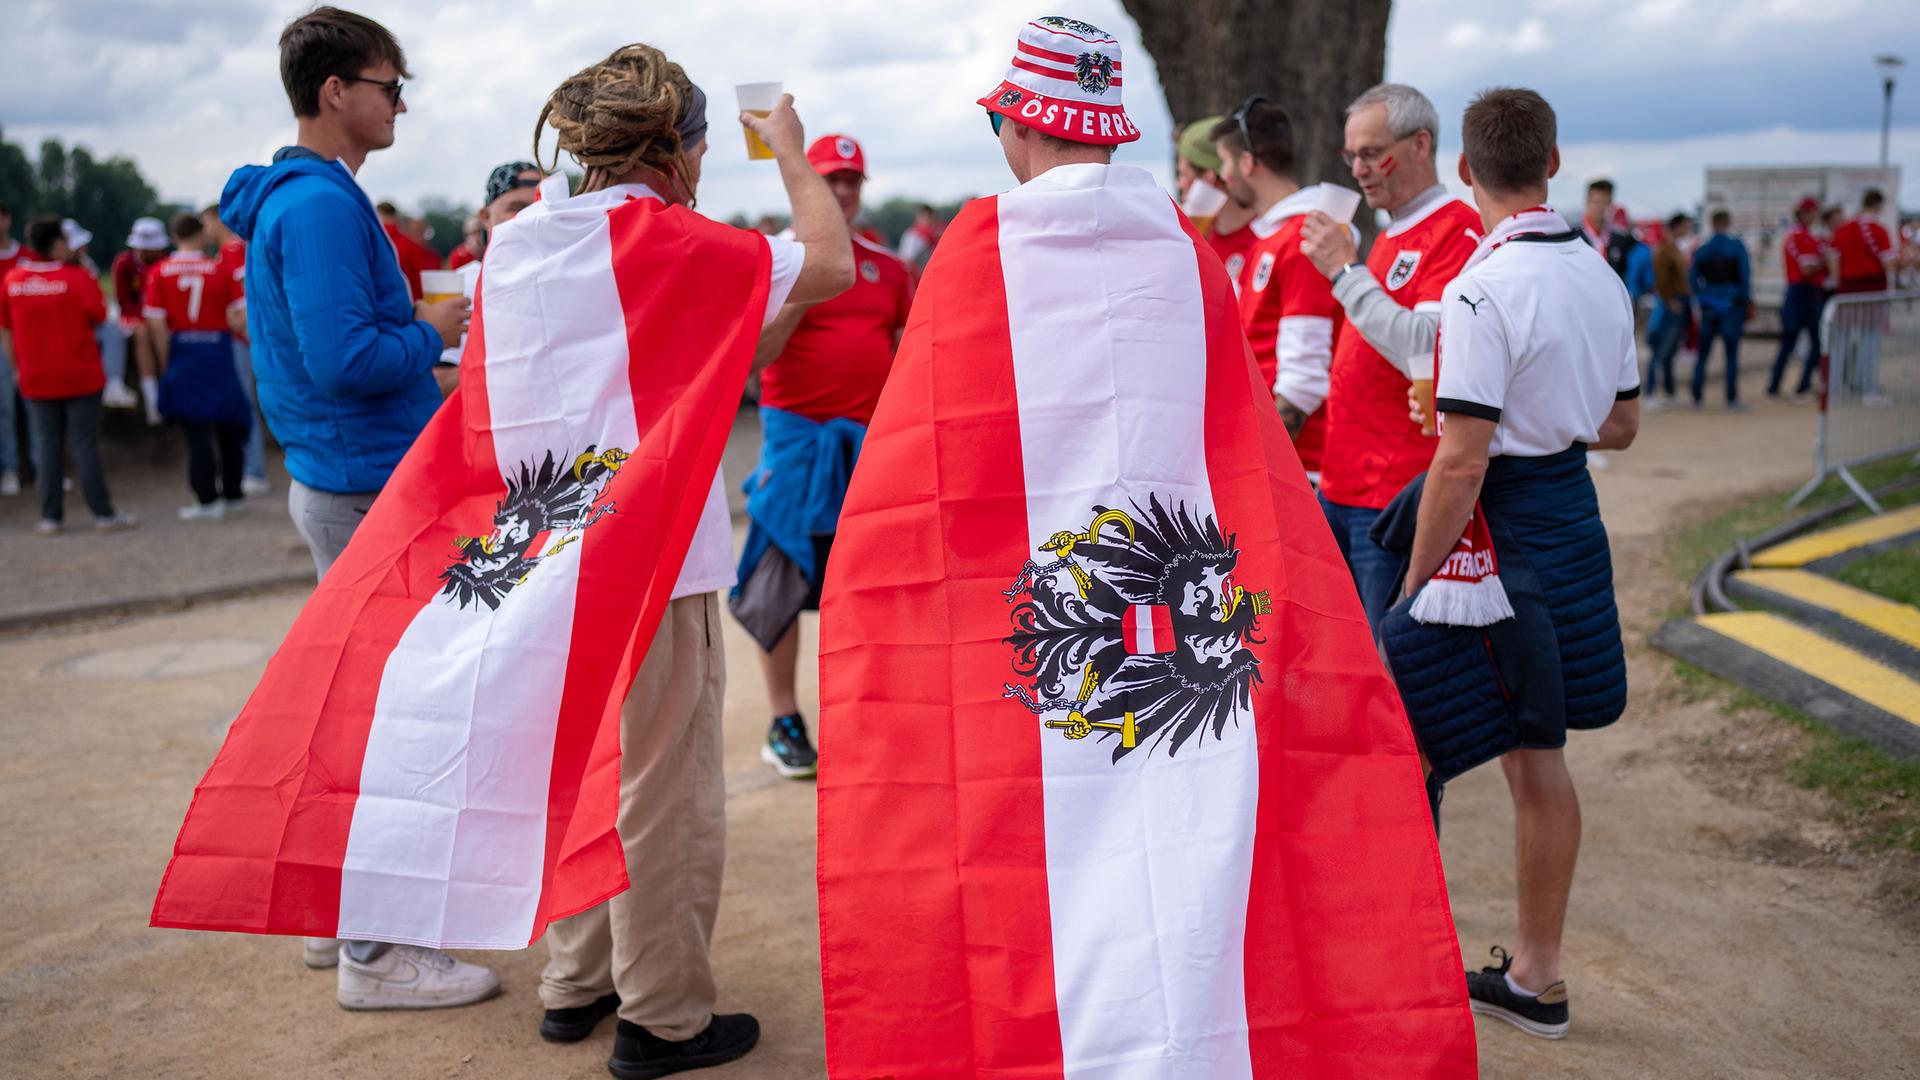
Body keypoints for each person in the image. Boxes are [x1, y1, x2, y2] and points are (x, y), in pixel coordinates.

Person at [522, 43, 852, 1077]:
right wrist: (792, 153)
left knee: (579, 770)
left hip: (548, 540)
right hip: (657, 554)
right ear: (675, 147)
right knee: (664, 791)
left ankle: (575, 982)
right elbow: (832, 258)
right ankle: (662, 1014)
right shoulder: (684, 240)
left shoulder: (525, 239)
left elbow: (712, 358)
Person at [217, 4, 489, 1007]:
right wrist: (437, 336)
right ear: (336, 93)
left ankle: (343, 923)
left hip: (343, 478)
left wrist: (405, 322)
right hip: (365, 480)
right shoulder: (324, 205)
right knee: (392, 718)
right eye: (388, 87)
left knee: (367, 706)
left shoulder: (297, 198)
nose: (401, 106)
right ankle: (378, 951)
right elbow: (344, 363)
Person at [1391, 86, 1637, 1042]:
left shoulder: (1480, 287)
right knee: (1537, 752)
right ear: (1555, 162)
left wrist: (1414, 585)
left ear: (1462, 171)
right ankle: (1534, 974)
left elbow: (1460, 457)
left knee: (1421, 712)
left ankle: (1475, 969)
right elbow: (1620, 422)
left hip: (1505, 526)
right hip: (1571, 511)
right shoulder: (1601, 274)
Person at [731, 133, 911, 780]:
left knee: (866, 590)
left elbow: (905, 350)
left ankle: (860, 714)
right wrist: (809, 282)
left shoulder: (888, 267)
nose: (841, 192)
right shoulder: (775, 262)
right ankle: (784, 718)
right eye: (829, 179)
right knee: (776, 587)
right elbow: (753, 361)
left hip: (867, 446)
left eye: (851, 182)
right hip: (796, 440)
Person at [1297, 82, 1483, 630]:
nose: (1358, 168)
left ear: (1421, 144)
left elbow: (1424, 348)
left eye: (1373, 152)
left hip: (1393, 492)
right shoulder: (1391, 229)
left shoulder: (1457, 228)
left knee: (1392, 663)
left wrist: (1343, 272)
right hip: (1344, 482)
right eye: (1350, 154)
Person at [1211, 97, 1336, 474]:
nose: (1223, 175)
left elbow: (1305, 379)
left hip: (1301, 468)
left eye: (1226, 161)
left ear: (1247, 163)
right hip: (1282, 460)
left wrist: (1251, 460)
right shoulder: (1271, 236)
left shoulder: (1301, 237)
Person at [0, 216, 137, 534]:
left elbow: (5, 329)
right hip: (79, 375)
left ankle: (51, 517)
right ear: (58, 244)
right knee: (86, 445)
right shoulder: (77, 278)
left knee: (48, 447)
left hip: (35, 376)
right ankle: (103, 514)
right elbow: (101, 316)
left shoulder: (13, 281)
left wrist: (18, 368)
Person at [145, 212, 253, 521]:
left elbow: (156, 324)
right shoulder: (218, 270)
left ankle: (207, 499)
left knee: (196, 431)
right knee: (229, 424)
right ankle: (234, 494)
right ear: (200, 235)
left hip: (184, 351)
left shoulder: (160, 272)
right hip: (218, 351)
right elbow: (238, 317)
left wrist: (166, 359)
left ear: (174, 236)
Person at [435, 161, 544, 391]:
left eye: (539, 206)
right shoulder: (461, 284)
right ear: (485, 216)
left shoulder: (564, 277)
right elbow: (439, 380)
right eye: (516, 207)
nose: (529, 217)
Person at [201, 203, 269, 494]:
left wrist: (241, 324)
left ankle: (253, 470)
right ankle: (251, 469)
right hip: (252, 339)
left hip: (246, 340)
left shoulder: (232, 251)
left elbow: (245, 299)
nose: (205, 230)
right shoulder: (240, 248)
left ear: (218, 220)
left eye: (206, 223)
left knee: (246, 405)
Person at [1175, 115, 1256, 287]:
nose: (1179, 184)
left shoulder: (1264, 238)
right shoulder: (1193, 239)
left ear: (1209, 177)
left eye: (1183, 174)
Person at [1689, 209, 1750, 411]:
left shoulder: (1703, 248)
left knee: (1703, 354)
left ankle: (1696, 397)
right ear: (1728, 223)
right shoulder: (1737, 247)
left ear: (1712, 223)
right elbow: (1745, 278)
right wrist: (1739, 299)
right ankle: (1731, 399)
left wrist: (1705, 297)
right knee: (1731, 355)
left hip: (1709, 308)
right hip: (1731, 307)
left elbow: (1692, 278)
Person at [112, 216, 171, 424]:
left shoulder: (167, 263)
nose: (144, 252)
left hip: (165, 319)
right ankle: (152, 401)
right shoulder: (124, 263)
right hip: (137, 320)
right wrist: (146, 317)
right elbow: (124, 302)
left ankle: (169, 390)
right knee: (143, 333)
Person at [1769, 196, 1827, 401]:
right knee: (1789, 341)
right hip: (1798, 292)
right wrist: (1824, 262)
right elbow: (1806, 269)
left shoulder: (1813, 238)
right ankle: (1774, 387)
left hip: (1810, 293)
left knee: (1817, 342)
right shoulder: (1795, 237)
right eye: (1811, 211)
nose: (1814, 215)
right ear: (1802, 213)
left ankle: (1803, 385)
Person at [1645, 213, 1693, 409]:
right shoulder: (1665, 251)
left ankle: (1669, 391)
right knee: (1660, 351)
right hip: (1669, 305)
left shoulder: (1674, 249)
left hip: (1674, 303)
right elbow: (1661, 280)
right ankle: (1649, 393)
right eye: (1686, 226)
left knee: (1670, 351)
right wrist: (1669, 300)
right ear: (1678, 227)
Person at [0, 198, 23, 495]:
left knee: (32, 406)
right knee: (4, 407)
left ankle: (40, 467)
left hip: (26, 337)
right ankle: (10, 467)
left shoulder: (26, 257)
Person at [1832, 189, 1896, 295]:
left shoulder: (1841, 229)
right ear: (1879, 205)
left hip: (1847, 285)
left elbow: (1834, 260)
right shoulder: (1879, 229)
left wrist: (1836, 283)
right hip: (1873, 284)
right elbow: (1888, 263)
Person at [375, 200, 443, 299]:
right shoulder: (411, 246)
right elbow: (423, 284)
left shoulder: (369, 242)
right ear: (396, 217)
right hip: (409, 306)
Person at [1580, 178, 1634, 279]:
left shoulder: (1620, 239)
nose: (1600, 207)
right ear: (1587, 203)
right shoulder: (1574, 238)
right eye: (1596, 202)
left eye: (1605, 202)